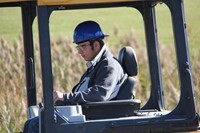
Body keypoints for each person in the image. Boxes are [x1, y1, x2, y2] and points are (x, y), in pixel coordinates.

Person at [23, 20, 126, 133]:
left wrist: (65, 97)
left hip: (93, 120)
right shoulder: (95, 66)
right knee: (31, 122)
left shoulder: (109, 65)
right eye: (78, 47)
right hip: (85, 117)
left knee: (35, 124)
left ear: (96, 45)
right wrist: (59, 101)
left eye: (82, 46)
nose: (79, 52)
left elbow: (100, 94)